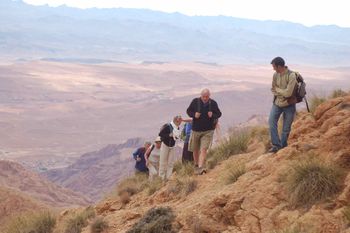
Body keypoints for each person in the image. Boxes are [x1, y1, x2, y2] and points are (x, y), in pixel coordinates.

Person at [186, 89, 222, 175]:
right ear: (200, 95)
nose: (205, 98)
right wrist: (194, 115)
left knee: (204, 149)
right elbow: (188, 111)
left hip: (208, 131)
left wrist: (212, 115)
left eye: (207, 97)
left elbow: (219, 114)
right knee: (195, 149)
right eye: (204, 97)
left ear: (209, 96)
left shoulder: (213, 103)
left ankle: (200, 167)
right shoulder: (195, 101)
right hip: (196, 130)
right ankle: (196, 164)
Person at [268, 57, 297, 153]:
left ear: (279, 66)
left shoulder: (291, 75)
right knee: (271, 122)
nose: (273, 69)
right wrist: (281, 93)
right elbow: (272, 89)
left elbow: (289, 93)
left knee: (286, 128)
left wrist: (279, 90)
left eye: (274, 66)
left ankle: (283, 147)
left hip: (289, 105)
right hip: (277, 103)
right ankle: (276, 145)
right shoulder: (275, 75)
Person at [158, 115, 182, 180]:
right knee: (163, 162)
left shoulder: (177, 128)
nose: (180, 123)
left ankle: (169, 177)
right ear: (175, 121)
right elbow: (160, 134)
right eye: (179, 121)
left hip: (172, 146)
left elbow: (176, 137)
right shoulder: (168, 126)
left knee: (171, 162)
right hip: (165, 145)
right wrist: (169, 135)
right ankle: (161, 178)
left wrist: (176, 136)